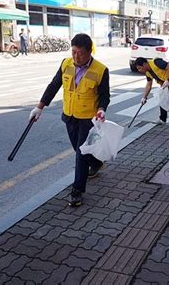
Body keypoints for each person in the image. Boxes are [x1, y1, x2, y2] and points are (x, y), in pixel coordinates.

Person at [29, 33, 110, 207]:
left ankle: (77, 191)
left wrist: (102, 109)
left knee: (81, 154)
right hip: (69, 115)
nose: (76, 56)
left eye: (80, 53)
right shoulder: (66, 64)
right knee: (79, 149)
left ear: (89, 52)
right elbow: (54, 85)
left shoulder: (101, 70)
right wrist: (40, 107)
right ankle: (96, 163)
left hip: (88, 118)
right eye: (73, 51)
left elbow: (104, 96)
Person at [135, 57, 169, 125]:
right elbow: (149, 84)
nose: (139, 70)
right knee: (162, 98)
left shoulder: (156, 62)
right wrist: (144, 97)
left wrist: (167, 80)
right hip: (165, 84)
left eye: (140, 68)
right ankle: (162, 119)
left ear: (144, 64)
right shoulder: (148, 73)